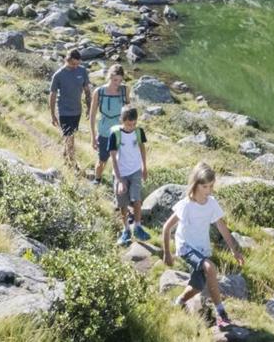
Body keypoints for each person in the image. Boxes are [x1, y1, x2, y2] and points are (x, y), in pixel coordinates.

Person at [161, 162, 245, 330]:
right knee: (210, 268)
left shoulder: (211, 203)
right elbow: (167, 228)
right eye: (205, 186)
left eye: (211, 186)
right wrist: (167, 253)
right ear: (196, 184)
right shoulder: (186, 205)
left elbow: (222, 227)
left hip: (202, 248)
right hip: (185, 246)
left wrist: (234, 250)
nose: (209, 190)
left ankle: (179, 301)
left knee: (198, 285)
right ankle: (221, 313)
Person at [105, 104, 150, 245]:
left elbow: (142, 148)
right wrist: (119, 180)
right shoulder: (115, 134)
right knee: (123, 203)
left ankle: (137, 227)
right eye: (129, 124)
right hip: (120, 173)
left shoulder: (138, 132)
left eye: (134, 124)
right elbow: (113, 158)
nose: (131, 127)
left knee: (137, 200)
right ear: (122, 120)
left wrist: (144, 167)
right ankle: (126, 230)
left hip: (135, 170)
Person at [47, 50, 90, 169]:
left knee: (70, 136)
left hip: (77, 110)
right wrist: (52, 114)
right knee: (70, 136)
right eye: (73, 64)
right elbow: (52, 95)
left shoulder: (82, 71)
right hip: (64, 110)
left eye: (77, 64)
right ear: (67, 60)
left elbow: (87, 90)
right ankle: (73, 163)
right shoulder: (58, 75)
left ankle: (64, 157)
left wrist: (89, 107)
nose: (76, 66)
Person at [90, 64, 130, 189]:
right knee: (102, 160)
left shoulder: (125, 90)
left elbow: (128, 111)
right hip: (104, 132)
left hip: (121, 132)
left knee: (119, 162)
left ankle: (118, 186)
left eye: (120, 80)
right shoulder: (99, 92)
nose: (117, 83)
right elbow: (92, 115)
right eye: (115, 80)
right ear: (109, 77)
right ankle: (97, 180)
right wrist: (93, 136)